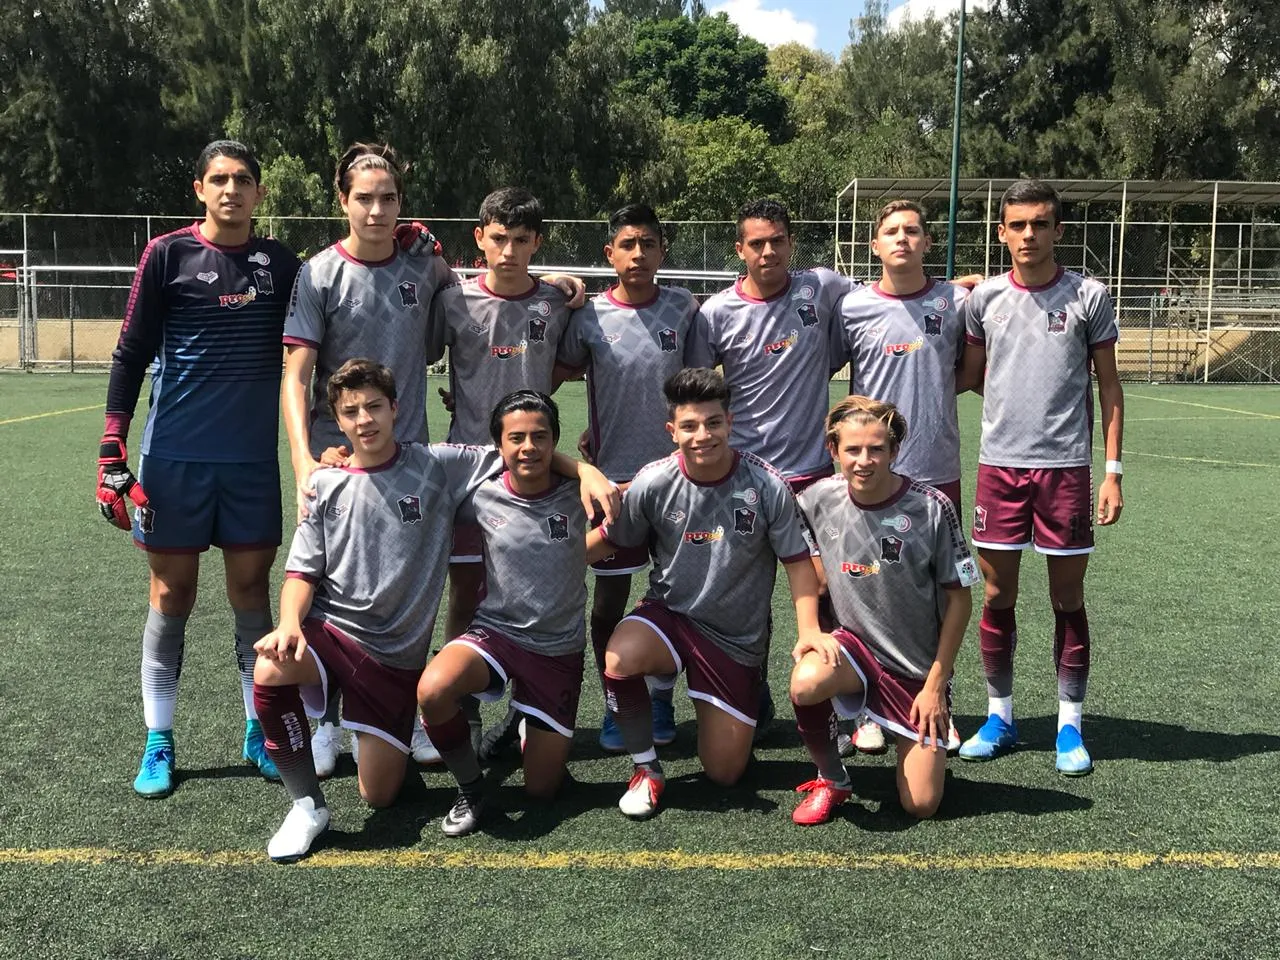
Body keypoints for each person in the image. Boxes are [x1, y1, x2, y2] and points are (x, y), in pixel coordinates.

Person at [251, 359, 618, 862]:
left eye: (374, 406)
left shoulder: (437, 464)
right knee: (271, 668)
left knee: (379, 796)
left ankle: (388, 739)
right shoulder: (324, 482)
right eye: (351, 412)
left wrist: (585, 469)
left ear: (395, 408)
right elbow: (301, 571)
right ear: (337, 420)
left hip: (393, 657)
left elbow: (521, 448)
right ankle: (306, 805)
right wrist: (290, 622)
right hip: (332, 629)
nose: (364, 420)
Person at [96, 139, 300, 798]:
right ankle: (158, 740)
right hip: (173, 460)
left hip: (250, 464)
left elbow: (326, 316)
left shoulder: (281, 264)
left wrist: (410, 244)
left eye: (242, 180)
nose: (231, 190)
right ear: (199, 189)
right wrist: (111, 445)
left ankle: (257, 729)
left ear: (259, 192)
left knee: (251, 594)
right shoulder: (167, 254)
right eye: (219, 179)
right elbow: (130, 353)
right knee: (171, 595)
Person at [281, 143, 457, 772]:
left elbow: (484, 297)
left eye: (388, 199)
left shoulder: (424, 267)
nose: (377, 210)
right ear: (343, 202)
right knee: (332, 586)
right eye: (364, 198)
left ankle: (406, 712)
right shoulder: (319, 273)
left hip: (410, 458)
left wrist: (564, 286)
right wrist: (303, 462)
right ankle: (325, 719)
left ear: (402, 204)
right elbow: (296, 375)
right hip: (338, 459)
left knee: (410, 586)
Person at [591, 368, 821, 819]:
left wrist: (809, 630)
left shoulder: (765, 484)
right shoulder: (654, 480)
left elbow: (797, 563)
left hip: (734, 638)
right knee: (619, 657)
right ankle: (646, 770)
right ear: (672, 431)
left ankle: (741, 697)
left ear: (729, 423)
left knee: (725, 773)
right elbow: (610, 539)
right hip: (671, 616)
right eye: (690, 426)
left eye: (713, 423)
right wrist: (549, 554)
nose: (703, 435)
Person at [956, 179, 1125, 776]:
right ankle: (999, 717)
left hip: (1066, 471)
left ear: (1058, 230)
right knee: (997, 595)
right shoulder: (985, 299)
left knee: (1067, 598)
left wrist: (1112, 472)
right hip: (1000, 468)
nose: (1029, 234)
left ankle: (1069, 725)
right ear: (1002, 232)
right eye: (1018, 225)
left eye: (1040, 223)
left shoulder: (1089, 296)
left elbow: (1110, 387)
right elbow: (970, 376)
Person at [686, 199, 859, 733]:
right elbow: (696, 393)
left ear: (791, 243)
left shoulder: (820, 287)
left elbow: (884, 293)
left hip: (812, 473)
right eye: (756, 243)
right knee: (746, 594)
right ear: (739, 249)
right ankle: (752, 694)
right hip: (746, 477)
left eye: (777, 240)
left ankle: (840, 707)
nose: (768, 251)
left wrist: (957, 287)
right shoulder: (716, 313)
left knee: (826, 589)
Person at [426, 187, 583, 753]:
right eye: (499, 238)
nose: (509, 251)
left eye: (521, 240)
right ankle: (462, 710)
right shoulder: (454, 302)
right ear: (480, 238)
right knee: (465, 592)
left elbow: (564, 366)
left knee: (530, 594)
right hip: (469, 474)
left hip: (534, 475)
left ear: (537, 242)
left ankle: (525, 711)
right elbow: (421, 355)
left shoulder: (556, 303)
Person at [788, 397, 978, 824]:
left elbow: (960, 600)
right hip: (852, 652)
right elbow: (786, 540)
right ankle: (832, 778)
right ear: (833, 451)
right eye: (852, 449)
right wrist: (810, 624)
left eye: (876, 449)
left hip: (914, 669)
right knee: (805, 681)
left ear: (894, 450)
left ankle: (919, 722)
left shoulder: (931, 507)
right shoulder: (815, 498)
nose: (864, 461)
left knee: (921, 805)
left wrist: (935, 685)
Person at [555, 203, 702, 754]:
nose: (638, 254)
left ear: (662, 250)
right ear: (609, 253)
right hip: (611, 485)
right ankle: (618, 703)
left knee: (680, 594)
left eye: (649, 243)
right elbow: (549, 373)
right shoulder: (589, 317)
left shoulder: (683, 308)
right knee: (608, 602)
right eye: (627, 244)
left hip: (678, 481)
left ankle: (661, 697)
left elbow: (696, 387)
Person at [835, 199, 972, 756]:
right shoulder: (852, 307)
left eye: (912, 231)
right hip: (868, 474)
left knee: (938, 592)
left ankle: (940, 698)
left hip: (936, 468)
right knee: (857, 585)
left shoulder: (955, 302)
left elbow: (969, 370)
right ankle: (857, 707)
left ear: (927, 242)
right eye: (890, 231)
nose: (901, 239)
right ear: (874, 245)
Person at [417, 391, 587, 837]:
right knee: (434, 690)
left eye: (540, 436)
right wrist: (339, 458)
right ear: (499, 445)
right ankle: (471, 789)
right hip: (497, 633)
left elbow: (621, 524)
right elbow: (403, 459)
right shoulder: (481, 492)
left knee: (541, 791)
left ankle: (519, 720)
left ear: (554, 441)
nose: (529, 447)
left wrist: (587, 473)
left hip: (557, 648)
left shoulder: (579, 492)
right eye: (516, 438)